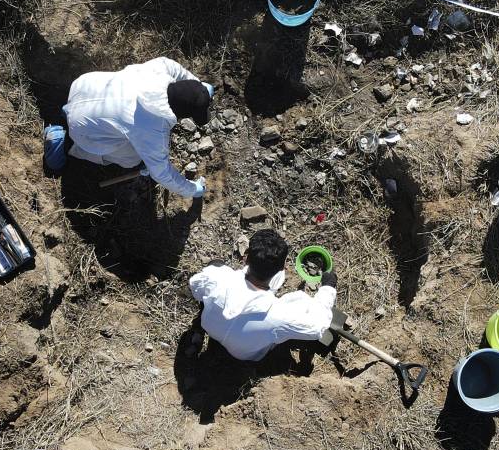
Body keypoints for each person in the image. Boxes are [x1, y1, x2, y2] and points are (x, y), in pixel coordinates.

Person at [44, 57, 213, 198]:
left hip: (82, 86)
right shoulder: (154, 129)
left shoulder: (159, 68)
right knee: (133, 158)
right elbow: (162, 174)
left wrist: (200, 88)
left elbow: (181, 74)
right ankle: (66, 145)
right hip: (80, 128)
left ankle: (65, 113)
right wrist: (193, 190)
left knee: (119, 127)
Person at [188, 229, 338, 362]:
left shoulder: (217, 278)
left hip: (212, 329)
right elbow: (318, 327)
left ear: (246, 258)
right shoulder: (279, 316)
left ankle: (202, 328)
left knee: (215, 263)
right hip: (245, 355)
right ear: (282, 268)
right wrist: (327, 288)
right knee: (303, 302)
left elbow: (194, 285)